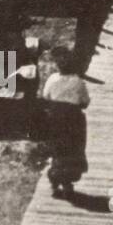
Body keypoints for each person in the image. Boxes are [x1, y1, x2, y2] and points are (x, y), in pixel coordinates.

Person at [41, 50, 90, 198]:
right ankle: (68, 183)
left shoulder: (52, 79)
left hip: (55, 118)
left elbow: (45, 96)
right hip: (73, 118)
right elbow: (85, 102)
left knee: (57, 148)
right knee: (73, 148)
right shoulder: (78, 81)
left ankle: (54, 183)